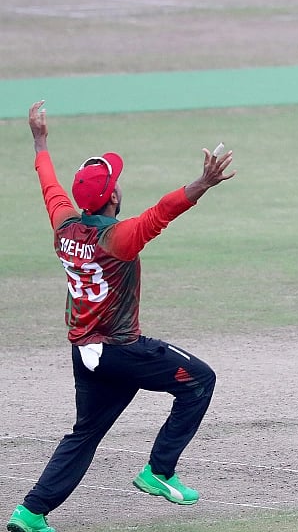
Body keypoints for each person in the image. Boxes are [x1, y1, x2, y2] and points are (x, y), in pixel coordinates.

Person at [7, 101, 234, 532]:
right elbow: (162, 212)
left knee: (85, 435)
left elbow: (49, 186)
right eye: (115, 182)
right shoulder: (119, 239)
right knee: (200, 380)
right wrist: (202, 183)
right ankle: (159, 471)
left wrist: (39, 139)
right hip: (120, 350)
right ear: (111, 196)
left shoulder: (63, 227)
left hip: (86, 353)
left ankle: (30, 512)